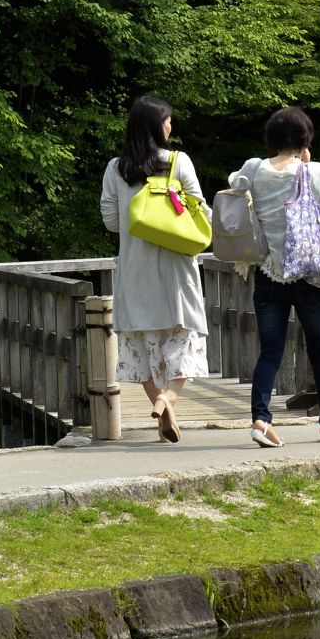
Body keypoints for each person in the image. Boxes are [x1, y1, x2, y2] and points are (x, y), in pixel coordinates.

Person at [229, 106, 320, 449]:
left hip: (268, 272)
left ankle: (261, 420)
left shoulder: (253, 168)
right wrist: (305, 164)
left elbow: (233, 184)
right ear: (305, 139)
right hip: (306, 274)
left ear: (271, 137)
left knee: (270, 352)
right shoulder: (314, 170)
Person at [99, 95, 208, 442]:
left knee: (144, 349)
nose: (171, 126)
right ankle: (168, 398)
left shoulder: (117, 168)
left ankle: (164, 412)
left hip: (135, 270)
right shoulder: (178, 162)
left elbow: (112, 221)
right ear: (157, 126)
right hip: (177, 270)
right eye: (168, 120)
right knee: (183, 341)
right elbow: (200, 211)